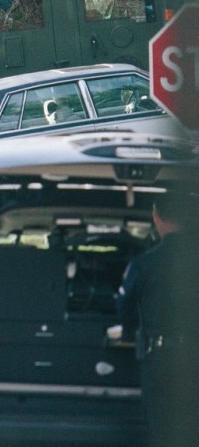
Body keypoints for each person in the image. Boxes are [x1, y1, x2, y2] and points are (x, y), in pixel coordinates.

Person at [116, 191, 199, 446]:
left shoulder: (144, 263)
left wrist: (129, 331)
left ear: (156, 217)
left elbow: (125, 308)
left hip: (161, 359)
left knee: (162, 431)